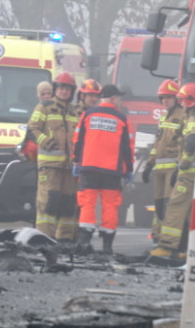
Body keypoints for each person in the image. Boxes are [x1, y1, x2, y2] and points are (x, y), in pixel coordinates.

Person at [154, 83, 195, 258]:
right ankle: (193, 249)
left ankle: (166, 246)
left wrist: (184, 163)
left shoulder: (193, 121)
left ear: (191, 101)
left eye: (182, 100)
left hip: (189, 175)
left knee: (175, 207)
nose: (180, 104)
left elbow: (191, 142)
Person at [71, 83, 133, 256]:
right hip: (111, 171)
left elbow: (78, 140)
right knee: (110, 207)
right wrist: (128, 169)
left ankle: (84, 243)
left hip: (89, 168)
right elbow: (127, 147)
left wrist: (76, 162)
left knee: (87, 204)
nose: (120, 101)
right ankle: (107, 247)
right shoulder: (121, 119)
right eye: (119, 98)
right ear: (113, 98)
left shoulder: (88, 115)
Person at [22, 73, 78, 239]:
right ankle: (43, 238)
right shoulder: (44, 107)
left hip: (69, 168)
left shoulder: (74, 112)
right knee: (49, 203)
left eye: (67, 89)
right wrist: (45, 141)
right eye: (61, 88)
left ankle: (65, 239)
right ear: (55, 89)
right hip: (50, 167)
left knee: (68, 204)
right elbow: (32, 128)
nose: (64, 92)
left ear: (72, 91)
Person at [141, 79, 184, 245]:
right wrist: (149, 164)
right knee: (158, 206)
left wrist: (179, 168)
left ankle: (168, 241)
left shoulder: (183, 117)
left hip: (172, 169)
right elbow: (157, 144)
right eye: (162, 98)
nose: (165, 101)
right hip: (159, 169)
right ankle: (157, 235)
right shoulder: (164, 117)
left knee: (168, 206)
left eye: (168, 97)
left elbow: (183, 145)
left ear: (176, 99)